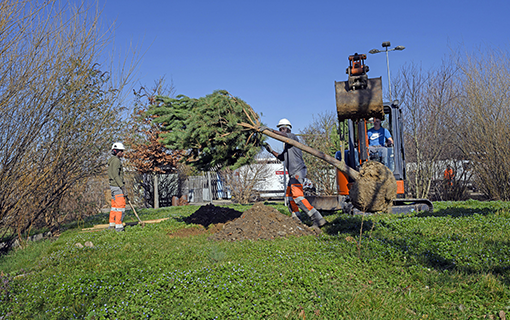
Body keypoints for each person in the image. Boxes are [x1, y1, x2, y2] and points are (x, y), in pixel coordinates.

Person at [259, 118, 326, 228]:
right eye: (280, 129)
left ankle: (317, 219)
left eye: (283, 128)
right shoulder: (287, 145)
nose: (281, 130)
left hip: (298, 172)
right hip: (292, 174)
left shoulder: (292, 137)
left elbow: (283, 135)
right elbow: (281, 157)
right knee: (289, 197)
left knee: (298, 197)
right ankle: (296, 219)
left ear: (288, 129)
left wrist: (269, 130)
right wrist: (271, 151)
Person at [108, 142, 127, 232]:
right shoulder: (116, 161)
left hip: (113, 186)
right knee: (120, 207)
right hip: (117, 187)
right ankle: (119, 227)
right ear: (117, 152)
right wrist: (122, 186)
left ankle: (112, 225)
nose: (123, 153)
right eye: (121, 151)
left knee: (114, 207)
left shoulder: (112, 160)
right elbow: (116, 175)